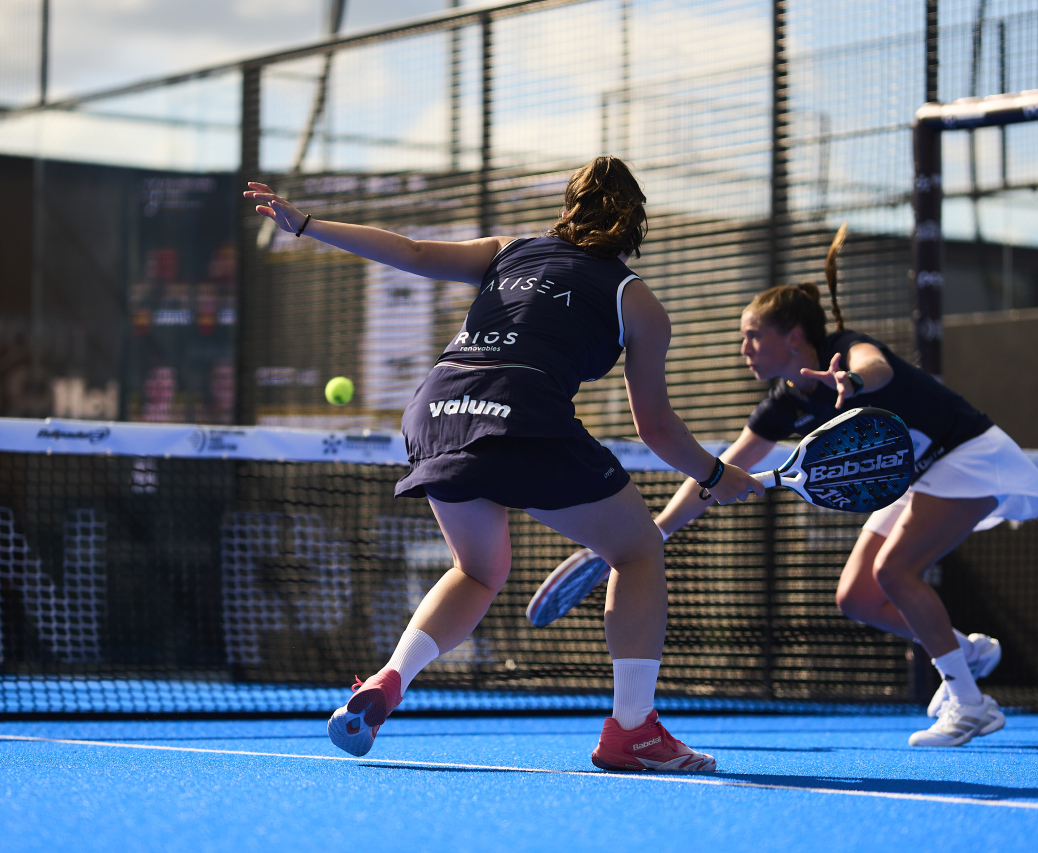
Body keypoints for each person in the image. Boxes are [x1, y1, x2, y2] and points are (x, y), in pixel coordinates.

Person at [245, 156, 763, 771]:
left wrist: (306, 224)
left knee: (477, 570)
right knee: (638, 550)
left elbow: (410, 252)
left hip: (436, 407)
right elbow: (655, 428)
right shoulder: (639, 303)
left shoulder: (508, 251)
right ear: (635, 226)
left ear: (568, 209)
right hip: (519, 409)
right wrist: (714, 474)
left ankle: (391, 676)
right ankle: (632, 730)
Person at [643, 230, 1038, 747]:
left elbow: (875, 366)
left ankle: (971, 704)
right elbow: (717, 471)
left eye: (753, 335)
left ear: (793, 337)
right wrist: (656, 533)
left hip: (968, 454)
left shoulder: (844, 349)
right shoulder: (783, 406)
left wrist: (853, 382)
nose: (743, 348)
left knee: (894, 571)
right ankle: (965, 651)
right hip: (917, 474)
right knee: (858, 597)